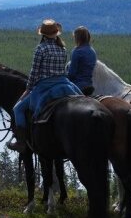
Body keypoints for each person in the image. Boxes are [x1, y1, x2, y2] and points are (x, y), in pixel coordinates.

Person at [7, 19, 82, 152]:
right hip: (64, 84)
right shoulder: (62, 48)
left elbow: (34, 72)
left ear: (42, 34)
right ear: (56, 33)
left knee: (17, 109)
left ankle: (21, 143)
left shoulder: (40, 49)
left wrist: (28, 89)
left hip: (45, 87)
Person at [67, 26, 97, 95]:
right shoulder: (92, 51)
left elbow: (72, 74)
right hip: (89, 84)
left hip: (77, 86)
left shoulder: (77, 51)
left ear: (77, 38)